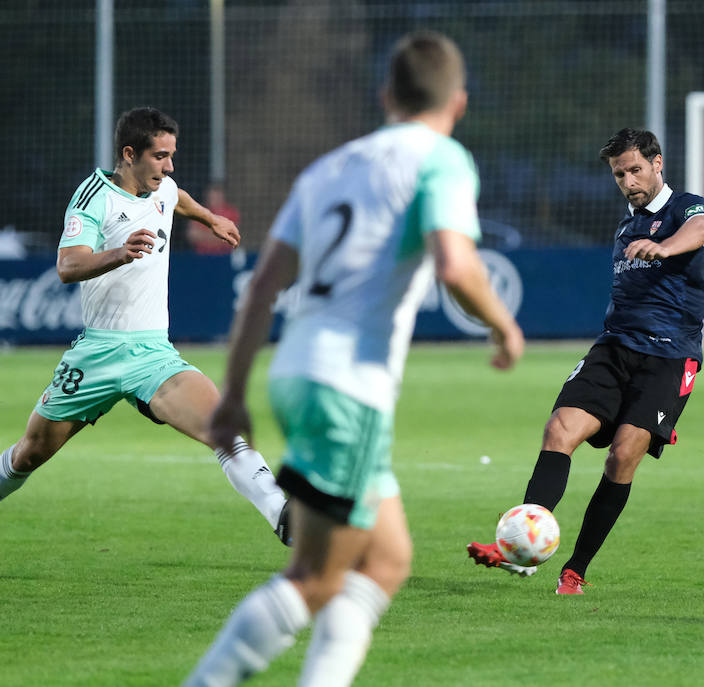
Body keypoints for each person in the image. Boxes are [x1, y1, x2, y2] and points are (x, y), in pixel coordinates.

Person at [183, 30, 523, 686]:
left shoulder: (329, 168)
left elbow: (262, 285)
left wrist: (234, 393)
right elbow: (456, 265)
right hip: (348, 387)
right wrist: (503, 325)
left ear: (386, 94)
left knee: (386, 560)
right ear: (458, 103)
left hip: (295, 372)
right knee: (314, 578)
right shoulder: (441, 159)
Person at [0, 107, 291, 546]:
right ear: (129, 154)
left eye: (172, 155)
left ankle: (282, 513)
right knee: (29, 453)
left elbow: (177, 197)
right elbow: (67, 266)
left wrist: (209, 218)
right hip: (96, 355)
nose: (169, 166)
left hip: (152, 355)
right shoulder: (94, 196)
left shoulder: (163, 188)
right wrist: (119, 252)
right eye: (160, 156)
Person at [467, 127, 704, 595]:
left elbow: (703, 229)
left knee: (623, 455)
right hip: (614, 347)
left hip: (669, 356)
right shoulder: (625, 227)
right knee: (559, 430)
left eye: (635, 170)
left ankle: (575, 570)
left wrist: (665, 247)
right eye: (619, 174)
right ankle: (522, 552)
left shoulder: (686, 208)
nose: (628, 181)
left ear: (658, 163)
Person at [187, 182, 239, 255]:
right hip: (202, 255)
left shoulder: (231, 212)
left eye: (217, 196)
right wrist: (217, 235)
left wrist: (203, 235)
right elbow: (192, 235)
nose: (214, 199)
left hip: (224, 255)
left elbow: (231, 237)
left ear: (223, 196)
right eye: (212, 197)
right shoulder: (199, 211)